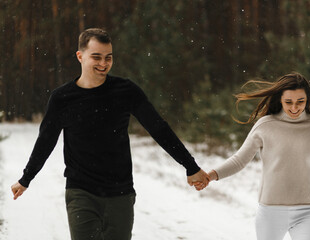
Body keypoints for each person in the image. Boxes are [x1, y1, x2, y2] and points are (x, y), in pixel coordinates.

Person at [11, 28, 210, 240]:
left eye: (108, 58)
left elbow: (159, 129)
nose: (103, 64)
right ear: (80, 56)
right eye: (96, 57)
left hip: (120, 194)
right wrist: (26, 178)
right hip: (81, 192)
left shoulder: (125, 91)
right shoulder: (63, 98)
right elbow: (45, 141)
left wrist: (191, 166)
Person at [199, 72, 310, 240]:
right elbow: (240, 159)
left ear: (307, 100)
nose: (295, 108)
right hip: (271, 211)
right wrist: (211, 176)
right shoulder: (265, 125)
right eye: (288, 102)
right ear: (280, 99)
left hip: (307, 211)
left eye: (300, 101)